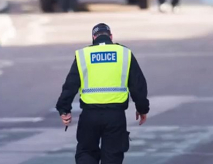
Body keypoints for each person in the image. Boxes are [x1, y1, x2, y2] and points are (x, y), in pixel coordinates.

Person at [56, 23, 149, 164]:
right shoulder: (124, 53)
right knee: (113, 155)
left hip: (89, 115)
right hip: (115, 116)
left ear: (94, 37)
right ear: (111, 36)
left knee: (86, 152)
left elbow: (70, 85)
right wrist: (142, 109)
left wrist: (64, 110)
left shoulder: (83, 55)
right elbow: (138, 85)